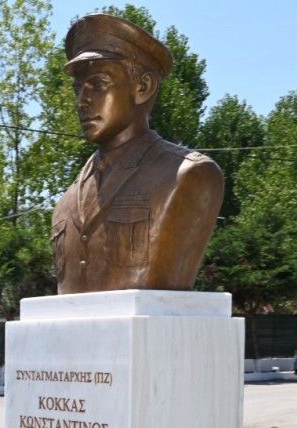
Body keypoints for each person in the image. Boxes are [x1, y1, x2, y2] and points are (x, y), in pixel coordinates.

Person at [52, 13, 224, 294]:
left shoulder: (187, 175)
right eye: (78, 88)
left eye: (98, 83)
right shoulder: (67, 202)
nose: (82, 100)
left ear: (142, 87)